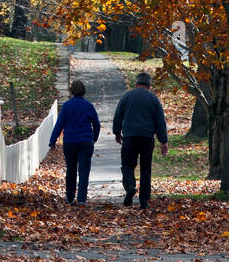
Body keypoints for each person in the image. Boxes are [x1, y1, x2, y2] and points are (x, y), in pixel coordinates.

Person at [112, 71, 168, 210]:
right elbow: (160, 121)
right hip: (147, 138)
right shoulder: (153, 99)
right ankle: (144, 201)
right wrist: (163, 141)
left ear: (136, 84)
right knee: (145, 169)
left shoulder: (127, 96)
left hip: (130, 136)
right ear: (149, 86)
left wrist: (117, 133)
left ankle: (130, 186)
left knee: (127, 164)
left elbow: (118, 115)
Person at [49, 79, 100, 204]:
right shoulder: (88, 106)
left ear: (71, 91)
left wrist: (52, 140)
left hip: (70, 142)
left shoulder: (67, 106)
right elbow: (96, 124)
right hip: (85, 142)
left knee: (71, 169)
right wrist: (94, 138)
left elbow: (59, 125)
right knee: (84, 170)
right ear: (83, 91)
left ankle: (70, 197)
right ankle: (82, 199)